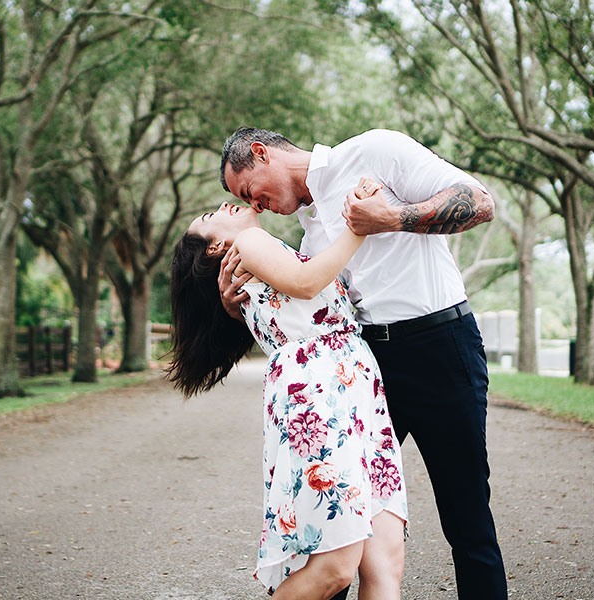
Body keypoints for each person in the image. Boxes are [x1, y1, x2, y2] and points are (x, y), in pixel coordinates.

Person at [218, 127, 507, 600]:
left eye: (249, 191)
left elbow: (479, 202)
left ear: (260, 153)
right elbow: (302, 312)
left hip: (440, 347)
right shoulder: (308, 236)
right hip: (364, 373)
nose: (254, 206)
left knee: (466, 516)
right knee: (338, 520)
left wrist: (392, 216)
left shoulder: (375, 150)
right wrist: (236, 304)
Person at [167, 191, 408, 599]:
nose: (227, 205)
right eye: (212, 214)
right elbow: (307, 281)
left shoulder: (252, 264)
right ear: (215, 247)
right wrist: (359, 226)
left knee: (385, 562)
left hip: (353, 389)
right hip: (323, 391)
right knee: (337, 565)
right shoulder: (247, 244)